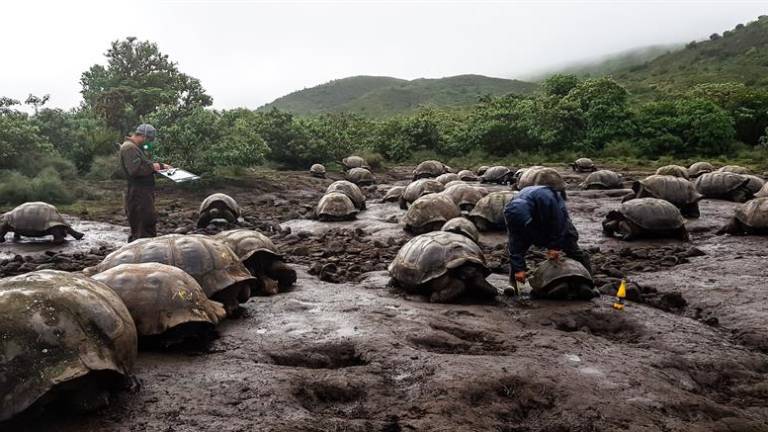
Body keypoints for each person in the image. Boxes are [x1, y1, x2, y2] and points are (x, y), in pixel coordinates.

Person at [504, 185, 592, 290]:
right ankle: (513, 283)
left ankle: (591, 281)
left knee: (571, 245)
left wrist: (555, 246)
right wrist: (519, 269)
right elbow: (514, 244)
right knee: (517, 250)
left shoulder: (546, 200)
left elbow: (559, 224)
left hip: (553, 214)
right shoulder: (512, 214)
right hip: (533, 217)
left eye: (526, 223)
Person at [119, 124, 171, 242]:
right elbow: (134, 170)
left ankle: (138, 256)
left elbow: (143, 167)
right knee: (143, 228)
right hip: (138, 194)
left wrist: (160, 167)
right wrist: (155, 167)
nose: (149, 143)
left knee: (143, 226)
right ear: (142, 136)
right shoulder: (129, 148)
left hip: (142, 193)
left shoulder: (135, 148)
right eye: (149, 140)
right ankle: (141, 258)